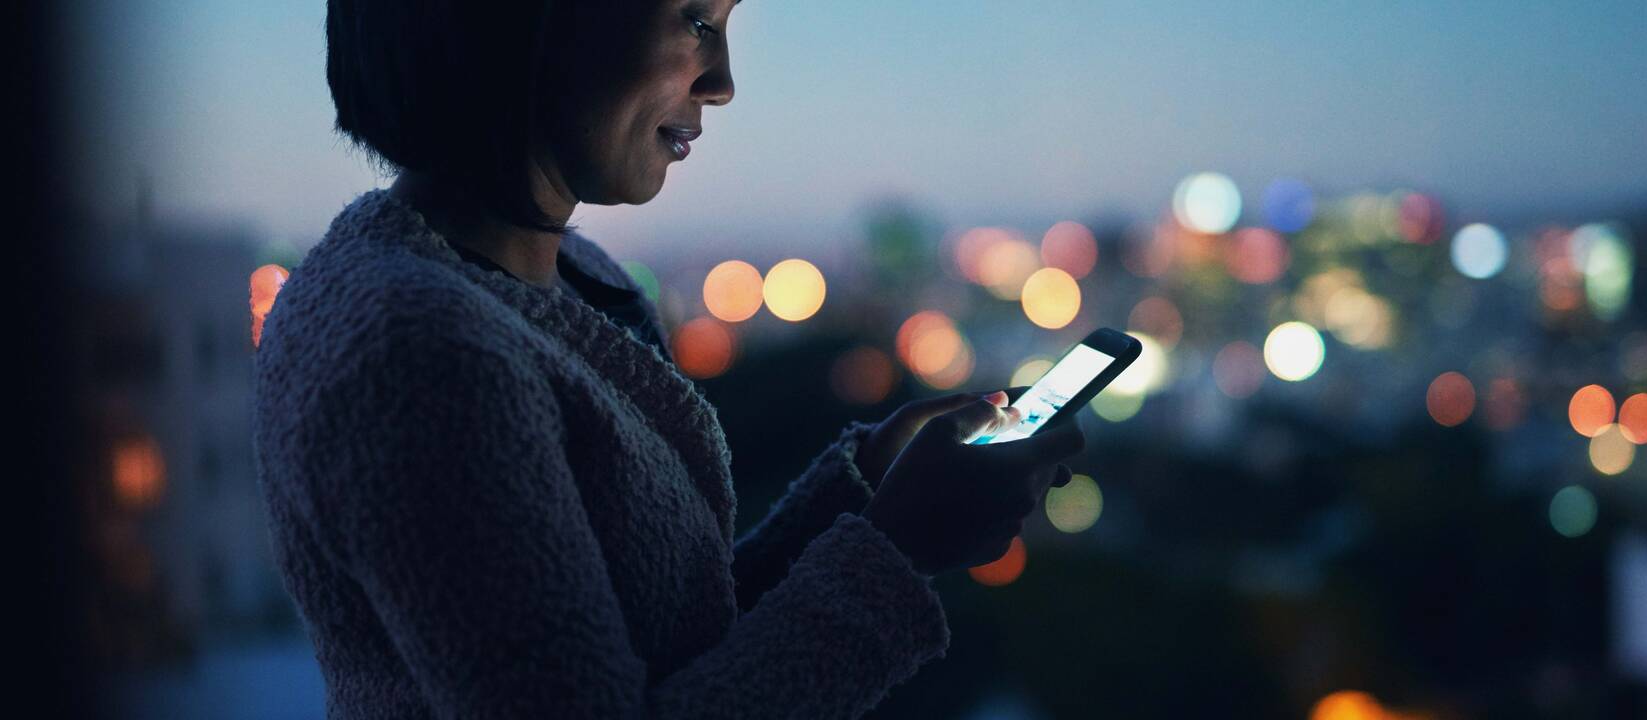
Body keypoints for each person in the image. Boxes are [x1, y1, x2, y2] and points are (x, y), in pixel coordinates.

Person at [252, 1, 1087, 717]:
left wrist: (867, 489)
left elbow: (665, 642)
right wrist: (897, 552)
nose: (721, 83)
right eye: (694, 19)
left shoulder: (574, 278)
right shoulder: (420, 359)